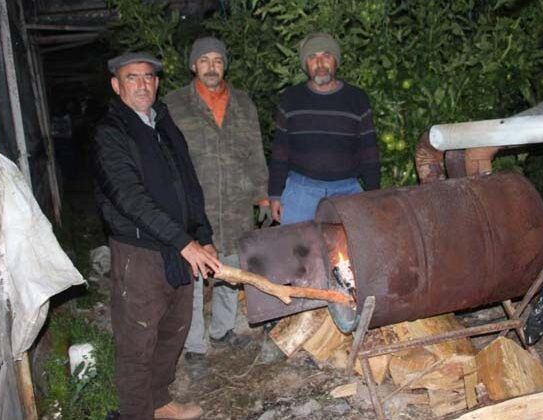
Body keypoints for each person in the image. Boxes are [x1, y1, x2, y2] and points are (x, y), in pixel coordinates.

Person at [93, 51, 221, 420]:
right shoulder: (110, 133)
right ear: (117, 86)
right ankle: (137, 413)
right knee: (138, 340)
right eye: (132, 77)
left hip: (179, 246)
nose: (143, 84)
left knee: (173, 329)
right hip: (140, 250)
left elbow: (188, 184)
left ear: (157, 82)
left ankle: (159, 402)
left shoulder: (163, 123)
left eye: (149, 76)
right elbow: (129, 197)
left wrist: (202, 234)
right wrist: (184, 241)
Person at [164, 37, 270, 362]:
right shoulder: (173, 104)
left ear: (225, 65)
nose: (212, 67)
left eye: (218, 61)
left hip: (237, 202)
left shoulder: (242, 103)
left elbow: (255, 151)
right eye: (205, 60)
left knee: (229, 268)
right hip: (194, 206)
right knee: (194, 273)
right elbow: (164, 158)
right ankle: (194, 344)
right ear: (194, 65)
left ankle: (222, 330)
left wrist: (263, 196)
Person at [268, 32, 381, 224]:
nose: (320, 64)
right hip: (301, 192)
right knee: (296, 251)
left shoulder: (357, 98)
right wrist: (275, 195)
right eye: (312, 57)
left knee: (355, 251)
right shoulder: (290, 98)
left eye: (326, 56)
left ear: (336, 61)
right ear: (306, 65)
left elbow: (369, 151)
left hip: (347, 192)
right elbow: (280, 151)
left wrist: (373, 195)